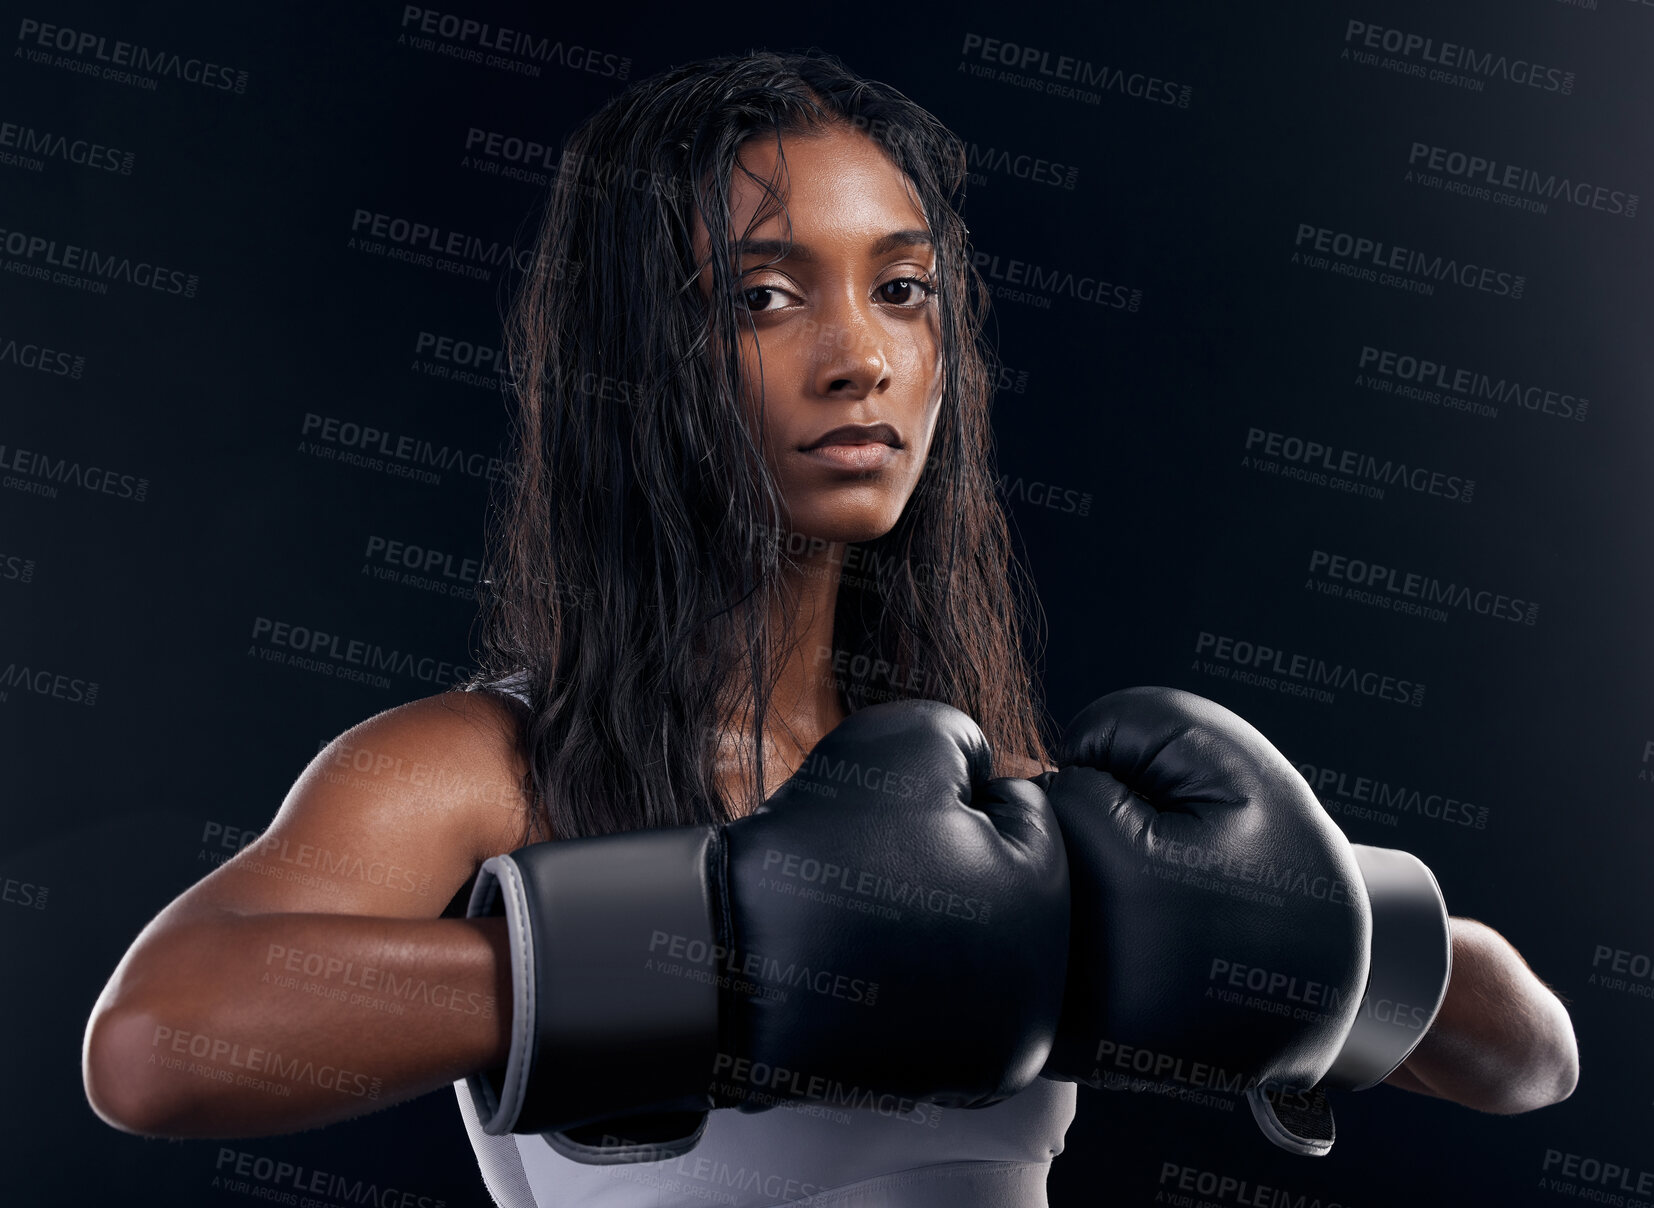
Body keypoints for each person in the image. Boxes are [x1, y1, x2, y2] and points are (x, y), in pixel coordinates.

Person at [82, 48, 1578, 1206]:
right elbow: (154, 1046)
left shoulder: (1010, 805)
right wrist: (724, 959)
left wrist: (1296, 943)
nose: (858, 356)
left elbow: (1528, 1052)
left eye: (904, 288)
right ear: (639, 349)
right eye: (761, 296)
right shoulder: (486, 770)